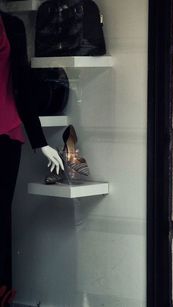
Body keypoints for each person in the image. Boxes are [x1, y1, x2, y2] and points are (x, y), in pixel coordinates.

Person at [0, 11, 63, 298]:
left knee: (1, 216)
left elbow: (22, 83)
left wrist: (40, 141)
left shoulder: (12, 25)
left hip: (5, 132)